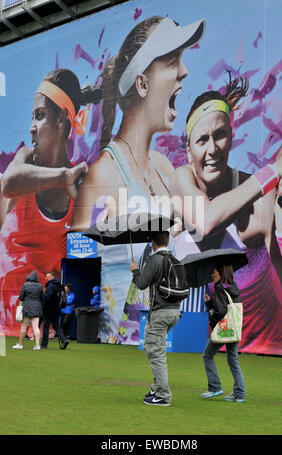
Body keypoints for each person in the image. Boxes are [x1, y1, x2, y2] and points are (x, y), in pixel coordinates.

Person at [71, 15, 206, 344]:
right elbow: (80, 260)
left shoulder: (163, 166)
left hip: (164, 325)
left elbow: (195, 232)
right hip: (119, 336)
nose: (184, 71)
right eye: (173, 61)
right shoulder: (102, 174)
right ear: (142, 84)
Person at [171, 72, 282, 354]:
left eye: (220, 135)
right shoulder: (182, 180)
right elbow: (206, 222)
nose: (212, 148)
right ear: (188, 149)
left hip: (263, 352)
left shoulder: (263, 202)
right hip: (196, 346)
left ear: (231, 137)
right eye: (202, 140)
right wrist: (275, 170)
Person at [0, 67, 102, 336]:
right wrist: (63, 176)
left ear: (62, 119)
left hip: (36, 326)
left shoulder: (80, 190)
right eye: (32, 117)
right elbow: (8, 184)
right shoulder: (23, 161)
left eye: (40, 116)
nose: (32, 127)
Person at [130, 231, 181, 407]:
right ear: (168, 241)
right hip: (174, 311)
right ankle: (156, 388)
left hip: (160, 312)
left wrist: (135, 271)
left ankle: (163, 395)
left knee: (155, 352)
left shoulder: (155, 260)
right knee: (155, 350)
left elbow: (141, 283)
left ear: (153, 242)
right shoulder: (174, 259)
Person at [201, 263, 246, 402]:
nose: (212, 275)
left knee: (207, 356)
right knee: (233, 360)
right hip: (234, 329)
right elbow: (225, 306)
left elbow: (220, 311)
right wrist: (211, 303)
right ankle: (239, 393)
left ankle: (215, 387)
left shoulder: (219, 287)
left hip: (223, 329)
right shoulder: (233, 287)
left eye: (214, 272)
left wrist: (213, 323)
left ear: (221, 273)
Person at [12, 270, 44, 351]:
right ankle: (37, 345)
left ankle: (20, 344)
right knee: (36, 327)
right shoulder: (40, 286)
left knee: (24, 326)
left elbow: (21, 297)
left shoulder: (25, 285)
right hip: (37, 306)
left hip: (27, 306)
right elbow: (42, 298)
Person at [41, 271, 69, 350]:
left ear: (52, 277)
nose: (46, 278)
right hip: (57, 309)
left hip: (49, 309)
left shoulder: (51, 286)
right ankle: (64, 339)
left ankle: (44, 345)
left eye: (48, 277)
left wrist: (44, 307)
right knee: (56, 326)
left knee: (46, 326)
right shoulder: (60, 285)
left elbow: (47, 298)